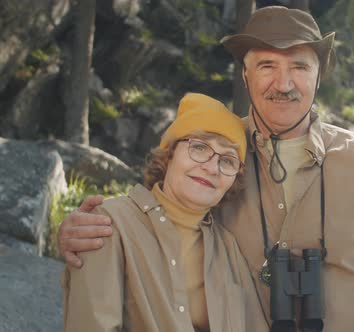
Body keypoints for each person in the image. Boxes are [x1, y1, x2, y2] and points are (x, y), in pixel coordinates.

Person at [59, 6, 354, 331]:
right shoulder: (217, 150)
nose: (283, 83)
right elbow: (156, 215)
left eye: (300, 67)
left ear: (319, 76)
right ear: (245, 75)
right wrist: (86, 233)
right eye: (267, 65)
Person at [62, 93, 268, 331]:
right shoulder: (109, 223)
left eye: (228, 160)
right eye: (199, 147)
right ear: (169, 154)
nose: (212, 167)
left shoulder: (229, 248)